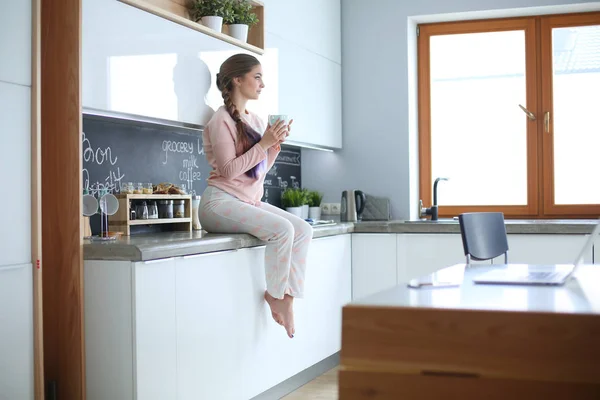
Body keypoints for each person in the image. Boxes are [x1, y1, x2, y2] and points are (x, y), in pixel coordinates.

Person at [198, 54, 313, 338]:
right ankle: (275, 294)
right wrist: (264, 143)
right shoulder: (220, 120)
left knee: (303, 229)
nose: (263, 84)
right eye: (257, 76)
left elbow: (257, 170)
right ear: (238, 80)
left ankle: (287, 297)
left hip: (246, 200)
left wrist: (274, 147)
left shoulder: (257, 119)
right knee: (284, 230)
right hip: (219, 202)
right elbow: (227, 171)